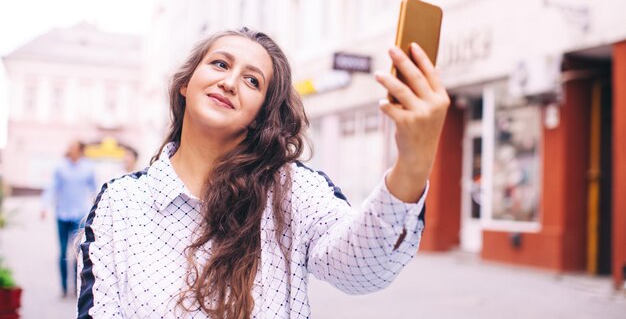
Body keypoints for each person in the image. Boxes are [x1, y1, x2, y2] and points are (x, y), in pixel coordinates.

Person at [76, 27, 449, 318]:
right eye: (220, 64)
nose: (230, 82)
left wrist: (413, 161)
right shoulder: (120, 203)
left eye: (252, 80)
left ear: (261, 115)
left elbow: (364, 269)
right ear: (185, 84)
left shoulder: (293, 190)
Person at [41, 140, 97, 298]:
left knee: (77, 252)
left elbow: (94, 189)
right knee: (62, 252)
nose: (69, 149)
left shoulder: (88, 168)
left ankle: (75, 287)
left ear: (80, 149)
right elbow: (52, 187)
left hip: (79, 215)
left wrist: (97, 208)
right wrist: (45, 205)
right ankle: (64, 287)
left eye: (73, 147)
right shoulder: (60, 167)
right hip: (62, 214)